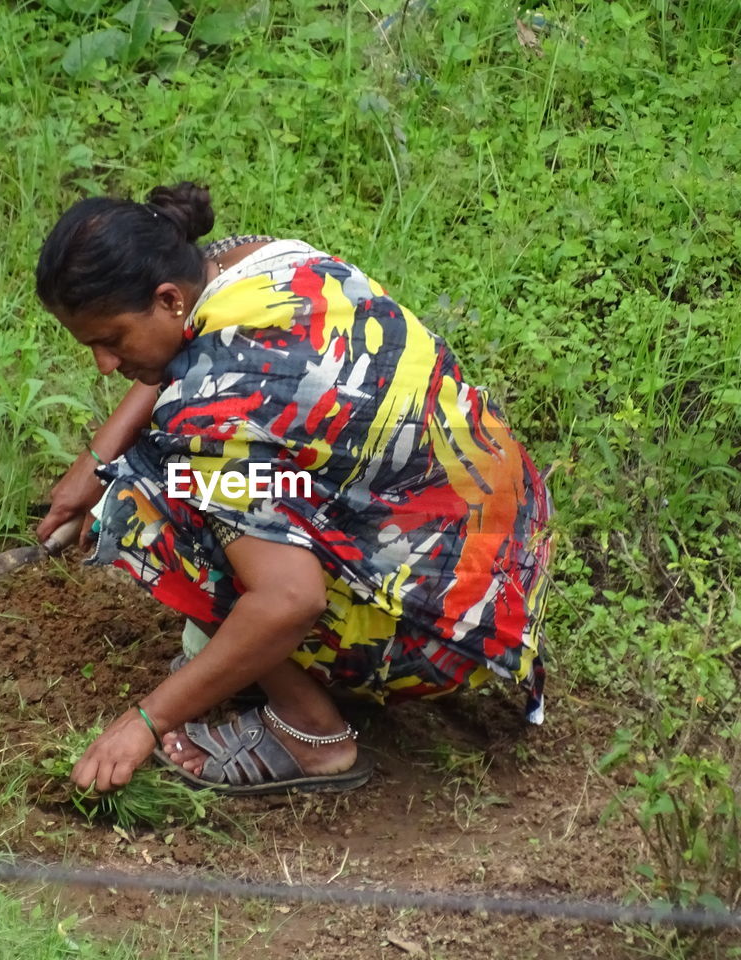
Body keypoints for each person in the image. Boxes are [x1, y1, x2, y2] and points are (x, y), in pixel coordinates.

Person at [34, 182, 554, 796]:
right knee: (152, 467)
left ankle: (312, 733)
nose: (103, 363)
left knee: (142, 501)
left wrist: (142, 724)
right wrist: (94, 459)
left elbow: (290, 600)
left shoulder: (208, 412)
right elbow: (190, 357)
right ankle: (262, 660)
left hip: (442, 637)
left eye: (112, 340)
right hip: (506, 567)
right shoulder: (260, 263)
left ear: (169, 299)